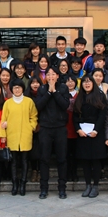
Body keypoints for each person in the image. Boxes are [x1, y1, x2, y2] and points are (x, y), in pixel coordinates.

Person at [34, 67, 71, 199]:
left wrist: (54, 91)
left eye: (53, 74)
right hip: (45, 128)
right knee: (44, 159)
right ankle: (44, 188)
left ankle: (62, 188)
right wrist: (49, 92)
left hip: (60, 128)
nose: (50, 76)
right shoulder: (42, 89)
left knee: (62, 159)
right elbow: (38, 106)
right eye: (48, 74)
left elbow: (65, 105)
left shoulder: (63, 88)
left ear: (57, 76)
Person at [0, 79, 38, 196]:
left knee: (25, 160)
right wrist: (3, 135)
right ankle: (15, 183)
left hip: (25, 135)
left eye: (19, 87)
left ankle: (23, 183)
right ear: (11, 89)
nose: (17, 90)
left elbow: (34, 116)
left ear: (23, 88)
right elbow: (3, 120)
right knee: (14, 162)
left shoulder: (29, 101)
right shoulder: (8, 103)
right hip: (12, 135)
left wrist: (31, 126)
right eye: (15, 88)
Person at [73, 76, 108, 198]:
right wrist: (78, 129)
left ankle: (96, 186)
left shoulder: (100, 96)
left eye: (89, 82)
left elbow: (103, 115)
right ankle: (88, 185)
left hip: (96, 133)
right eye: (84, 82)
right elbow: (75, 116)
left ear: (93, 83)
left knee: (96, 160)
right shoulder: (79, 98)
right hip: (83, 133)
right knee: (85, 160)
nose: (87, 84)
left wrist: (96, 130)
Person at [25, 76, 42, 184]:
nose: (35, 85)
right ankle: (34, 170)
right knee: (32, 151)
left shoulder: (44, 94)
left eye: (37, 83)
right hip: (29, 127)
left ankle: (39, 171)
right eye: (33, 83)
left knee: (41, 150)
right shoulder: (26, 96)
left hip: (42, 126)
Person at [65, 76, 79, 182]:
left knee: (74, 154)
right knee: (65, 154)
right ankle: (67, 173)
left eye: (72, 81)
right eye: (68, 81)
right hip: (64, 127)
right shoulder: (62, 95)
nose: (70, 83)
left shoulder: (79, 95)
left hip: (75, 127)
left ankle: (74, 173)